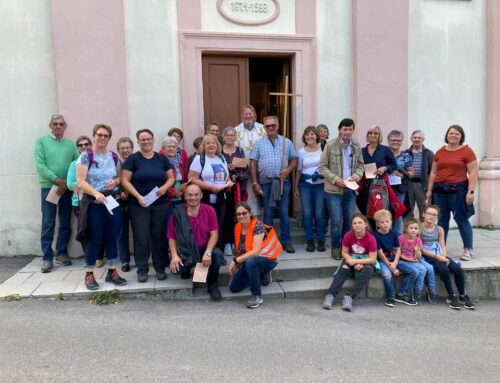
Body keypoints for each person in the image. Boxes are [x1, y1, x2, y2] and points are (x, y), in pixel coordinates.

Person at [76, 124, 126, 290]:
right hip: (94, 203)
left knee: (112, 236)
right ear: (94, 136)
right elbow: (81, 181)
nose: (102, 137)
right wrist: (96, 193)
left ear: (109, 138)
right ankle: (89, 273)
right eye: (99, 135)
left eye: (106, 135)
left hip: (112, 202)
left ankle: (112, 271)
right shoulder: (85, 156)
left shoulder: (113, 156)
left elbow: (119, 177)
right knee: (94, 237)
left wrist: (116, 182)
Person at [121, 129, 175, 283]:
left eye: (148, 139)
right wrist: (137, 196)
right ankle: (142, 269)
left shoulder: (162, 158)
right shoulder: (133, 159)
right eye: (142, 139)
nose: (146, 141)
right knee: (141, 237)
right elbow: (125, 180)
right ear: (138, 142)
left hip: (160, 204)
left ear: (152, 140)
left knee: (159, 236)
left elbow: (171, 177)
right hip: (139, 205)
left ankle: (159, 268)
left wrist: (164, 188)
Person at [34, 114, 79, 273]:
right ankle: (47, 258)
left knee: (66, 221)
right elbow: (40, 166)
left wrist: (66, 182)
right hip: (49, 188)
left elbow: (76, 164)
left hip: (66, 188)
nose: (58, 126)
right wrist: (57, 180)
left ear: (65, 126)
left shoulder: (70, 144)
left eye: (61, 124)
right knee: (48, 222)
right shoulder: (41, 142)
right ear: (50, 126)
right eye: (55, 124)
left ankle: (61, 253)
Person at [426, 124, 477, 261]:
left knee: (461, 219)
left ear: (461, 137)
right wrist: (429, 190)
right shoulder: (440, 152)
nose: (453, 136)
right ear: (447, 135)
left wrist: (470, 192)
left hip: (459, 190)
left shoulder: (467, 151)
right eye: (451, 133)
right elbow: (433, 172)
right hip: (440, 190)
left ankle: (468, 249)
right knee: (442, 220)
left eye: (457, 134)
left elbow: (472, 173)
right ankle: (441, 248)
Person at [168, 184, 224, 301]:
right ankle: (187, 268)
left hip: (204, 248)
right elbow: (171, 236)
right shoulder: (177, 212)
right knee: (179, 273)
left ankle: (212, 285)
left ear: (201, 196)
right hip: (186, 251)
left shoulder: (209, 210)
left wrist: (208, 252)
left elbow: (214, 233)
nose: (193, 198)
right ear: (185, 196)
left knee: (217, 255)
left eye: (196, 195)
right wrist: (174, 256)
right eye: (190, 195)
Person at [318, 118, 364, 260]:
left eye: (350, 129)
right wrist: (335, 179)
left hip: (350, 190)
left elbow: (360, 166)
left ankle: (346, 246)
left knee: (350, 220)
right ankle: (336, 247)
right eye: (345, 129)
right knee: (336, 221)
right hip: (333, 190)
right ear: (339, 130)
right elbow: (322, 167)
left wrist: (356, 176)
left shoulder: (356, 146)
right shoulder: (330, 146)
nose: (347, 132)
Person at [250, 115, 297, 253]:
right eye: (267, 126)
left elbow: (294, 159)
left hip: (282, 182)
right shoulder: (259, 143)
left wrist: (288, 170)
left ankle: (286, 241)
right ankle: (268, 242)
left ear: (278, 126)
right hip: (266, 183)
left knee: (283, 213)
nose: (270, 128)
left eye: (273, 125)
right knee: (268, 214)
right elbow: (253, 163)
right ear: (264, 127)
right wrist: (254, 182)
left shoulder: (286, 142)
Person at [420, 204, 475, 309]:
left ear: (437, 217)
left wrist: (443, 257)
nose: (431, 216)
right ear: (423, 214)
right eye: (429, 214)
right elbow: (420, 249)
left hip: (439, 254)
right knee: (443, 269)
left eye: (434, 215)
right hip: (427, 256)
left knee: (457, 268)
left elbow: (442, 245)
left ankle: (463, 295)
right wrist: (438, 257)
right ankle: (451, 296)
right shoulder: (419, 228)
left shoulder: (439, 229)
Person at [228, 202, 282, 308]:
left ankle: (256, 295)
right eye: (238, 214)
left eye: (244, 213)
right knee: (233, 288)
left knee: (250, 262)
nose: (241, 216)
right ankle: (260, 275)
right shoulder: (238, 227)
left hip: (268, 259)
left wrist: (235, 261)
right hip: (250, 261)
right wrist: (237, 266)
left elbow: (256, 252)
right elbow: (240, 249)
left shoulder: (257, 225)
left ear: (250, 213)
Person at [322, 214, 377, 311]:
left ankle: (349, 296)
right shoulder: (348, 235)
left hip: (365, 259)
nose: (357, 225)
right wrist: (353, 263)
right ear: (352, 225)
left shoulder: (371, 238)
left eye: (360, 222)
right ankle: (330, 295)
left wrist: (356, 261)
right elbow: (344, 253)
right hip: (351, 258)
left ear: (365, 224)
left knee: (368, 270)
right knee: (344, 267)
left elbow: (372, 259)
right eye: (354, 223)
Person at [188, 134, 233, 249]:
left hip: (221, 195)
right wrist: (210, 187)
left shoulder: (221, 158)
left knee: (219, 223)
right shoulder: (200, 159)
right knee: (206, 224)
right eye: (208, 143)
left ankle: (218, 252)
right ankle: (206, 252)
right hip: (206, 196)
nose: (211, 145)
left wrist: (229, 182)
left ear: (217, 145)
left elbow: (225, 176)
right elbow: (192, 178)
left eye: (213, 142)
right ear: (204, 146)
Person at [372, 209, 419, 307]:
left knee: (415, 272)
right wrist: (391, 267)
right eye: (382, 222)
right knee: (387, 275)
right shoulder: (375, 235)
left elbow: (398, 249)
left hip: (394, 260)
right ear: (378, 224)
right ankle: (390, 296)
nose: (385, 224)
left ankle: (402, 293)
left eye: (387, 221)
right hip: (383, 261)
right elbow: (380, 254)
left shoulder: (393, 233)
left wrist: (395, 263)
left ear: (391, 222)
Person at [357, 126, 398, 227]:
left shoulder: (385, 150)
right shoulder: (361, 151)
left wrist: (384, 168)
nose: (373, 135)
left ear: (379, 135)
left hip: (379, 185)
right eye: (370, 133)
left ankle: (381, 235)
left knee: (379, 211)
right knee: (365, 211)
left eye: (376, 133)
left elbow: (394, 165)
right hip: (365, 186)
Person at [294, 125, 326, 252]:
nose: (310, 136)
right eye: (307, 134)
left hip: (321, 184)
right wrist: (296, 187)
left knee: (319, 214)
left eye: (312, 134)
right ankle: (310, 241)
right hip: (305, 185)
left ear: (316, 136)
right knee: (307, 214)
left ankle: (321, 240)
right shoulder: (301, 151)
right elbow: (299, 170)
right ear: (304, 137)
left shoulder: (323, 149)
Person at [235, 105, 267, 215]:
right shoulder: (236, 130)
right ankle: (252, 219)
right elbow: (233, 151)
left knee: (264, 195)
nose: (248, 116)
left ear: (254, 115)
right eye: (246, 114)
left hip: (262, 169)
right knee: (249, 194)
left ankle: (263, 221)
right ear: (242, 116)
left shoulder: (263, 129)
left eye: (250, 113)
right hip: (245, 170)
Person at [221, 127, 248, 255]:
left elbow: (245, 169)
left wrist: (236, 176)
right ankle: (226, 243)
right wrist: (226, 168)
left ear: (235, 137)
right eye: (227, 135)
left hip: (237, 189)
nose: (230, 137)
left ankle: (236, 242)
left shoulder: (240, 151)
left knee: (237, 215)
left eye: (232, 135)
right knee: (225, 216)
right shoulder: (219, 151)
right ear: (223, 137)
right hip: (222, 189)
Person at [398, 219, 437, 305]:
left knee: (430, 268)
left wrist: (417, 255)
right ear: (406, 229)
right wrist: (410, 259)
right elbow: (397, 253)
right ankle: (417, 292)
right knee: (422, 269)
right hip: (404, 259)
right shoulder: (401, 238)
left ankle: (432, 291)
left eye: (416, 228)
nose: (413, 230)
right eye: (411, 228)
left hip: (415, 259)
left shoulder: (418, 239)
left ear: (418, 230)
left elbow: (417, 252)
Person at [66, 135, 93, 256]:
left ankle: (98, 256)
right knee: (84, 230)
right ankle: (89, 256)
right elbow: (71, 184)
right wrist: (85, 186)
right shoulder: (74, 164)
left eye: (86, 144)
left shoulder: (96, 161)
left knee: (97, 229)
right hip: (79, 203)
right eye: (80, 145)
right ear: (77, 148)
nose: (83, 147)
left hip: (97, 201)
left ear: (91, 146)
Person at [387, 130, 414, 235]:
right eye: (393, 140)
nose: (396, 142)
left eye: (398, 140)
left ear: (402, 141)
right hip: (385, 187)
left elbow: (411, 172)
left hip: (399, 188)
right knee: (385, 212)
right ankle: (386, 236)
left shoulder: (406, 155)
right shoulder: (384, 153)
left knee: (398, 212)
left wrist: (403, 174)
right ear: (388, 141)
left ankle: (398, 239)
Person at [403, 130, 434, 220]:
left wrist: (429, 188)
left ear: (423, 139)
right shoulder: (405, 153)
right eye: (414, 137)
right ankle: (409, 233)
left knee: (425, 210)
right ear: (411, 139)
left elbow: (433, 171)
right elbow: (401, 168)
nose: (417, 139)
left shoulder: (428, 153)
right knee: (407, 210)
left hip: (422, 185)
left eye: (419, 138)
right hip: (408, 185)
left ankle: (425, 233)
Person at [162, 136, 188, 233]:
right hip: (167, 200)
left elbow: (182, 179)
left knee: (179, 227)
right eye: (169, 146)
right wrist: (173, 193)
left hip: (180, 200)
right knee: (168, 227)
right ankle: (168, 248)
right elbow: (160, 182)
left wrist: (184, 188)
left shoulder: (179, 162)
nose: (172, 149)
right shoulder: (161, 162)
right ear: (163, 148)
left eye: (174, 146)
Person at [116, 137, 134, 272]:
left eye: (127, 147)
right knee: (122, 233)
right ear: (118, 150)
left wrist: (128, 191)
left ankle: (140, 259)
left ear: (132, 149)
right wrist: (121, 192)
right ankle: (124, 261)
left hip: (135, 203)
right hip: (119, 204)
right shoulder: (114, 163)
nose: (125, 150)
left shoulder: (137, 161)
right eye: (122, 148)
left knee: (139, 232)